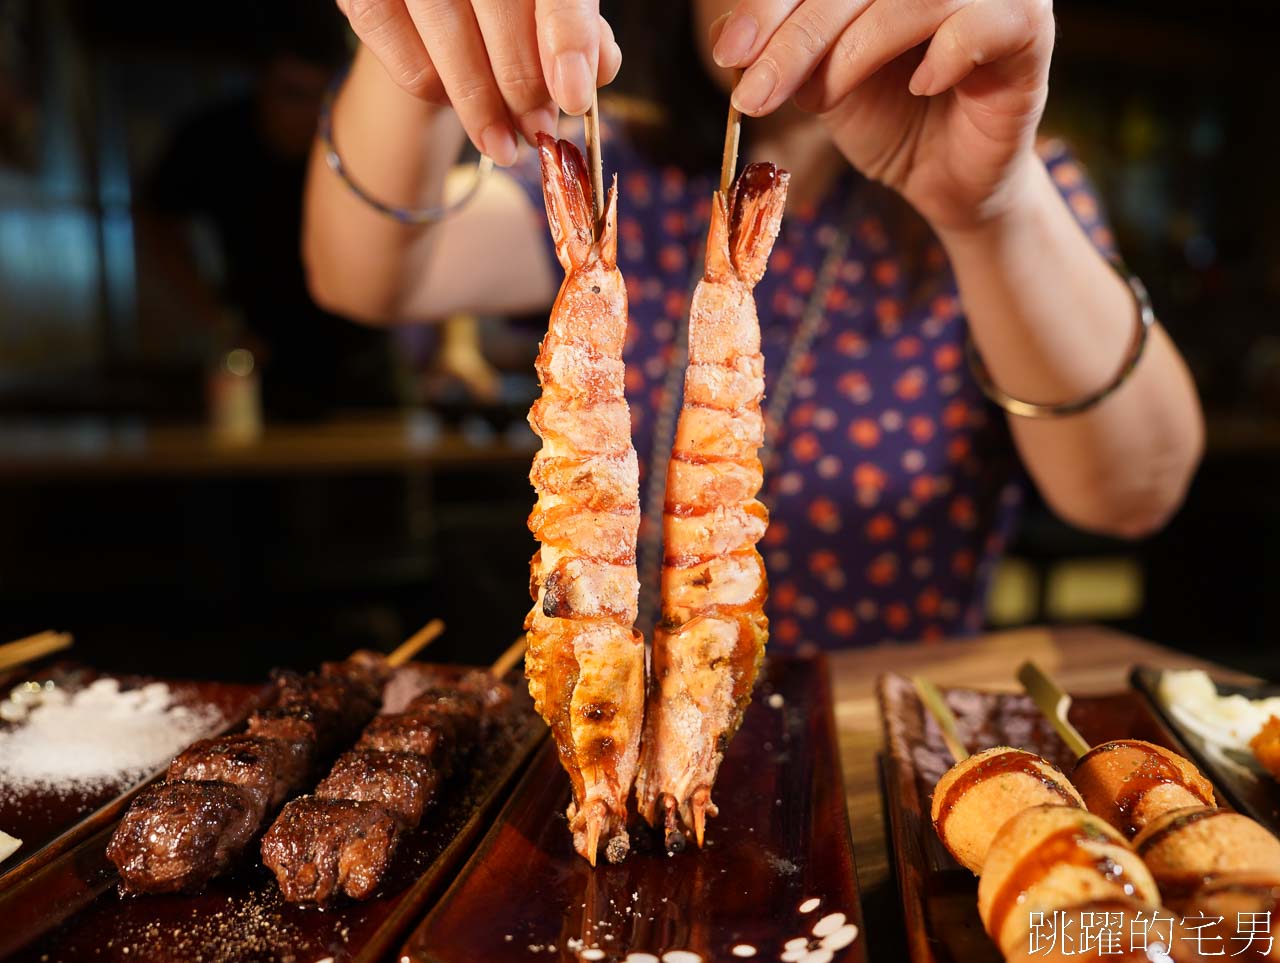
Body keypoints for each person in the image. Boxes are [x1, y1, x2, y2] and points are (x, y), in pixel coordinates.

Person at [303, 0, 1204, 648]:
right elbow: (362, 274)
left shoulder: (1016, 179)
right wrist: (422, 52)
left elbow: (1136, 492)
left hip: (871, 750)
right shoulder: (626, 174)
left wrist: (993, 206)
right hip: (608, 708)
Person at [140, 10, 395, 418]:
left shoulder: (357, 134)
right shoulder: (215, 138)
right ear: (262, 86)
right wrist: (215, 321)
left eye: (324, 95)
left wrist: (457, 344)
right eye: (293, 94)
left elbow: (438, 224)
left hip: (365, 352)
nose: (310, 114)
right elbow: (157, 221)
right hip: (259, 351)